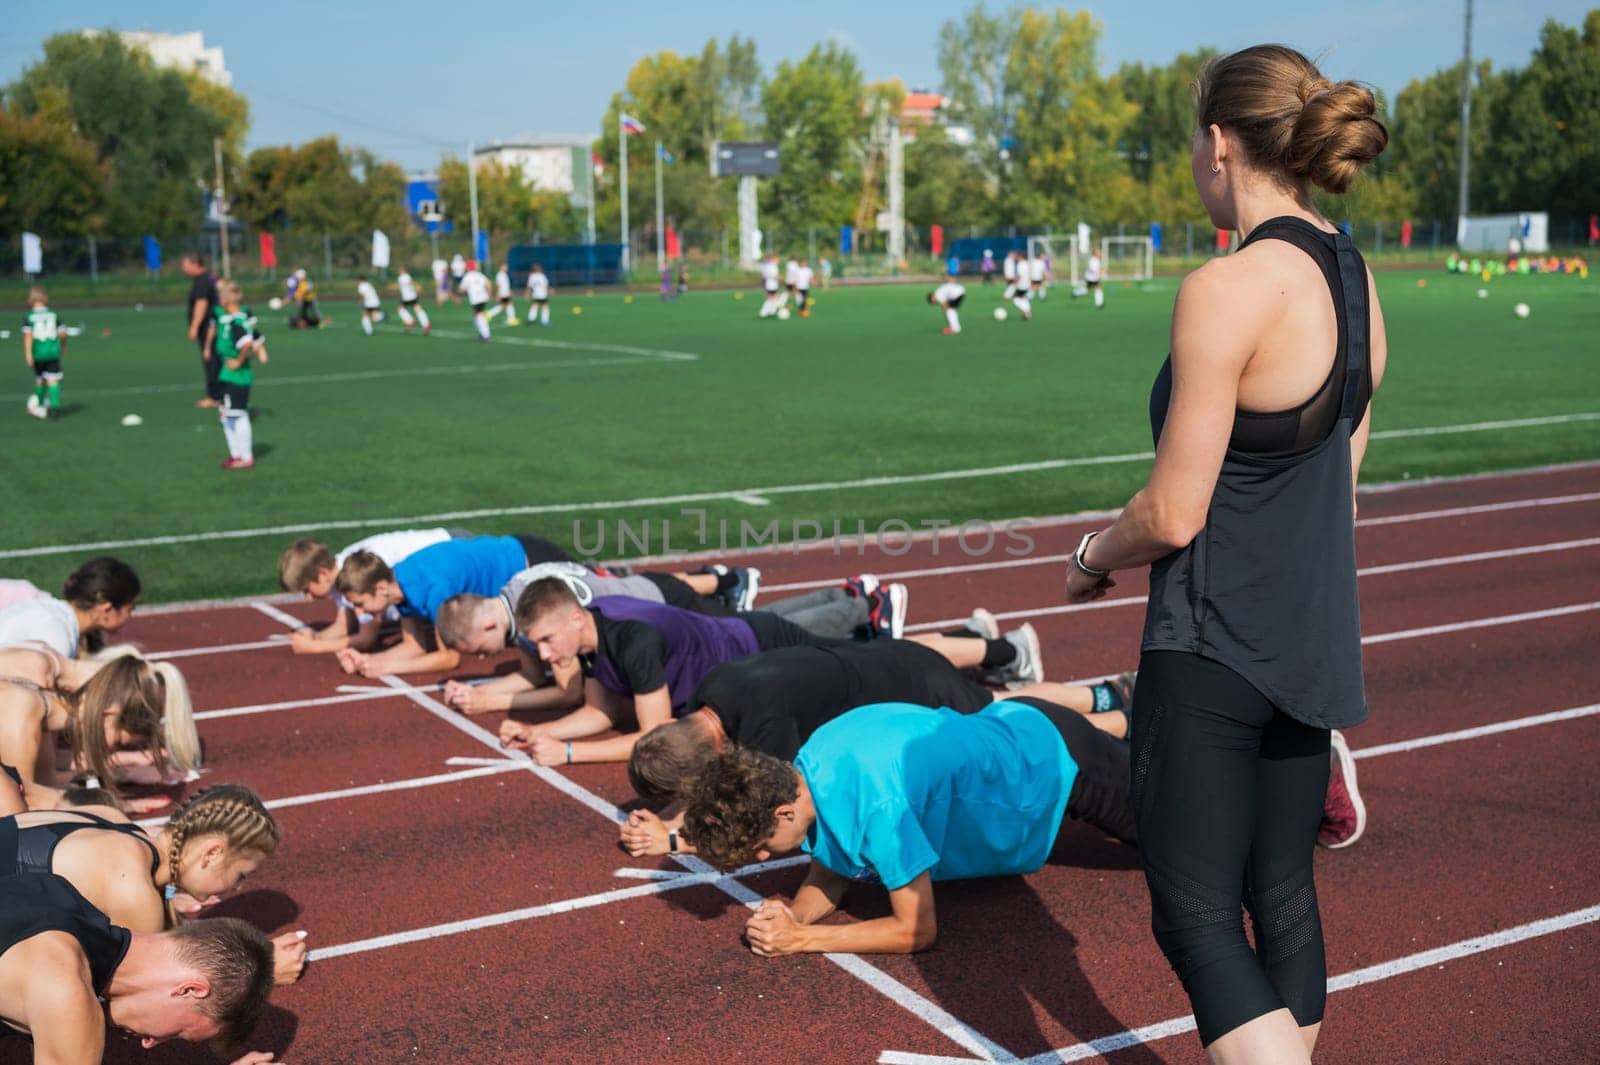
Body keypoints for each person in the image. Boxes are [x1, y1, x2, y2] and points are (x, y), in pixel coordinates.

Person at [1062, 45, 1388, 1064]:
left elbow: (1170, 511)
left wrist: (1086, 554)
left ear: (1218, 142)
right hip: (1310, 634)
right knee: (1279, 891)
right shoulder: (1353, 278)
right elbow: (1341, 470)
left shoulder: (1227, 286)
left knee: (1197, 917)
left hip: (1212, 642)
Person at [680, 697, 1135, 956]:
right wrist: (793, 915)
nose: (762, 858)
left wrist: (803, 939)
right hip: (1016, 727)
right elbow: (830, 869)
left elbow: (916, 931)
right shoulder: (808, 769)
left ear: (783, 812)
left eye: (760, 846)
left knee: (1191, 835)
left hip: (1053, 765)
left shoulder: (880, 809)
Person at [621, 639, 1136, 856]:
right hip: (889, 662)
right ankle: (1113, 705)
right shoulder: (715, 688)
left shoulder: (763, 726)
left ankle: (1116, 711)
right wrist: (670, 818)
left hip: (910, 685)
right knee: (1007, 714)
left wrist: (675, 838)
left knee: (1006, 718)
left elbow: (759, 810)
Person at [498, 579, 1017, 766]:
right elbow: (598, 710)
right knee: (880, 657)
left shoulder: (632, 642)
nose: (543, 655)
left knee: (890, 664)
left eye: (546, 640)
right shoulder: (590, 638)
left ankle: (998, 649)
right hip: (746, 656)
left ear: (573, 618)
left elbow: (658, 737)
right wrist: (539, 732)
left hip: (764, 647)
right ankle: (980, 642)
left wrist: (569, 753)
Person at [437, 566, 904, 715]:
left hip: (663, 601)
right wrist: (483, 694)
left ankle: (864, 605)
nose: (484, 657)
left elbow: (574, 693)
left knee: (751, 632)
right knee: (756, 628)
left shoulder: (544, 618)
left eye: (480, 650)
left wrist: (491, 702)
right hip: (649, 596)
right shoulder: (524, 595)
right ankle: (850, 599)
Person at [0, 784, 307, 986]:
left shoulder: (110, 817)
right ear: (212, 852)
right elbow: (149, 996)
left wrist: (168, 897)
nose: (234, 887)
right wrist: (260, 972)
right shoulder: (133, 891)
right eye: (241, 875)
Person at [0, 872, 274, 1058]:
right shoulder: (66, 994)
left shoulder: (56, 891)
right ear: (189, 989)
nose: (150, 1042)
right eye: (180, 1033)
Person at [334, 533, 568, 677]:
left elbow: (448, 658)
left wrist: (386, 668)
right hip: (516, 556)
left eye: (360, 604)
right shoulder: (400, 585)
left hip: (532, 559)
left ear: (381, 588)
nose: (358, 612)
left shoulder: (434, 591)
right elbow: (414, 646)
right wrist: (371, 661)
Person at [0, 645, 200, 812]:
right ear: (110, 712)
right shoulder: (21, 712)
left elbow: (46, 788)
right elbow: (22, 812)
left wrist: (118, 794)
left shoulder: (37, 710)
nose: (112, 749)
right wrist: (116, 810)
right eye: (119, 742)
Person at [277, 529, 459, 655]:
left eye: (307, 590)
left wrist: (313, 647)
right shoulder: (343, 567)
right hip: (449, 548)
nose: (308, 598)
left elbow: (366, 638)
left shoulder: (357, 578)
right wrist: (315, 637)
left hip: (456, 551)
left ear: (323, 574)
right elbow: (343, 626)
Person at [0, 557, 140, 659]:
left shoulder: (52, 613)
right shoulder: (57, 637)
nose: (130, 616)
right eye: (130, 609)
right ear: (106, 609)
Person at [209, 280, 267, 471]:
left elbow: (245, 342)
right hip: (228, 375)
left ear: (225, 300)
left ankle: (246, 457)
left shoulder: (237, 321)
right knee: (226, 415)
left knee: (238, 415)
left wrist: (239, 360)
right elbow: (255, 338)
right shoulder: (234, 318)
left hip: (237, 376)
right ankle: (236, 455)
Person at [182, 253, 222, 408]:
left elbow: (202, 305)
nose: (183, 269)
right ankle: (217, 394)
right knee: (213, 360)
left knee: (211, 360)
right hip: (212, 327)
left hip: (209, 328)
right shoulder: (209, 277)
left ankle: (215, 396)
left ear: (195, 264)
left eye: (185, 265)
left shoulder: (202, 281)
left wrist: (194, 326)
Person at [22, 286, 65, 420]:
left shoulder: (29, 316)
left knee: (40, 380)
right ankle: (55, 407)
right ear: (45, 299)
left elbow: (28, 336)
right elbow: (63, 334)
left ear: (29, 300)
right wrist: (63, 347)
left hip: (38, 354)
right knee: (53, 379)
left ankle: (40, 405)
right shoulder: (54, 315)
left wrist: (28, 354)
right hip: (53, 352)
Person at [460, 260, 493, 341]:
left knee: (479, 316)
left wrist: (464, 290)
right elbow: (488, 283)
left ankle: (486, 335)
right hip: (483, 297)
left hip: (475, 299)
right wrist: (489, 294)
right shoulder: (479, 274)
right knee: (477, 315)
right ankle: (483, 334)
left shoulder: (467, 276)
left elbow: (461, 289)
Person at [394, 267, 432, 334]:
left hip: (409, 296)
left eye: (400, 269)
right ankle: (425, 324)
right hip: (408, 296)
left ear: (404, 270)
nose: (399, 270)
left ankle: (412, 322)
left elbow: (411, 283)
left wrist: (417, 286)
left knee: (402, 309)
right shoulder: (402, 277)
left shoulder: (405, 276)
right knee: (416, 309)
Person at [525, 263, 552, 327]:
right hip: (542, 294)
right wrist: (549, 291)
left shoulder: (531, 276)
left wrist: (527, 293)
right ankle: (545, 321)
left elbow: (529, 287)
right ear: (539, 269)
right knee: (545, 306)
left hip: (535, 295)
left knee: (534, 306)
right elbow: (546, 285)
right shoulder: (542, 276)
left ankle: (530, 319)